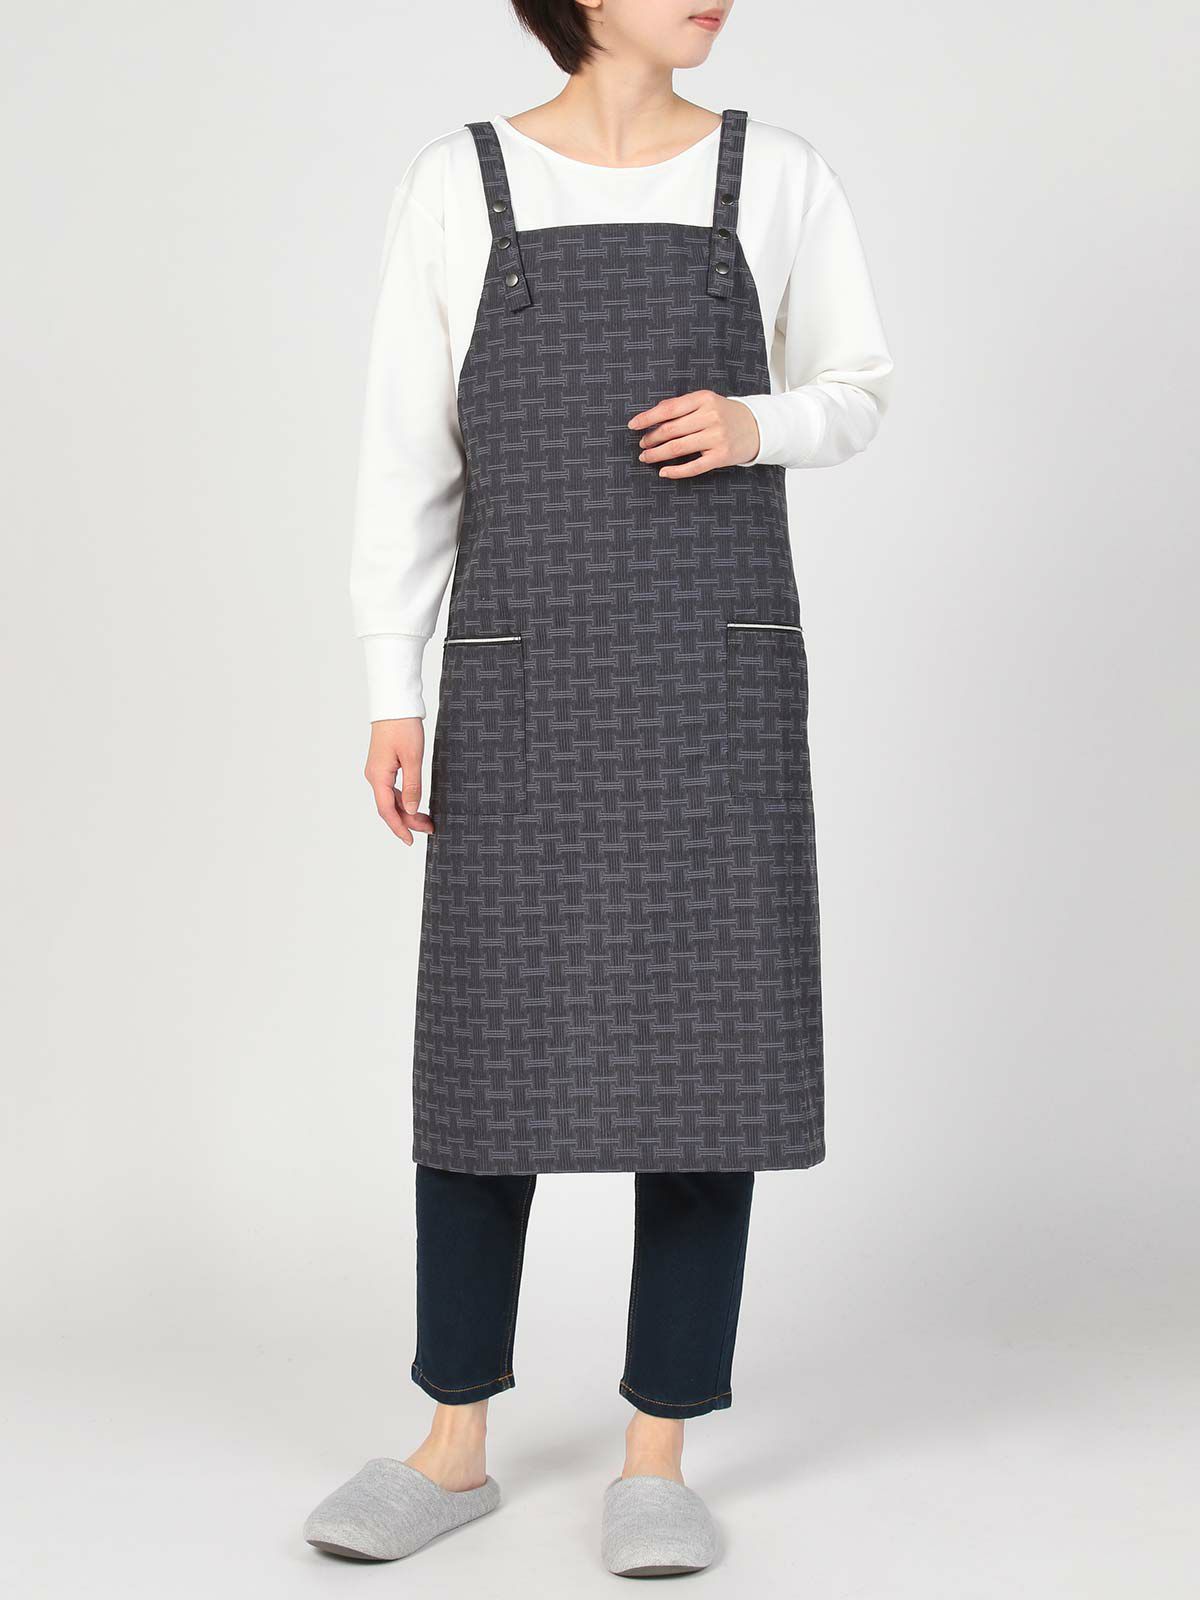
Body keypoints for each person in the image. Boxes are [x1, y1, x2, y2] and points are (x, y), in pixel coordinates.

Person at [304, 0, 893, 1576]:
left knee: (712, 1049)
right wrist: (393, 685)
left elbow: (860, 384)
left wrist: (759, 420)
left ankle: (658, 1452)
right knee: (485, 1050)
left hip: (713, 669)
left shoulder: (778, 175)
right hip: (523, 666)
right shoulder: (461, 181)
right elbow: (406, 450)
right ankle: (452, 1444)